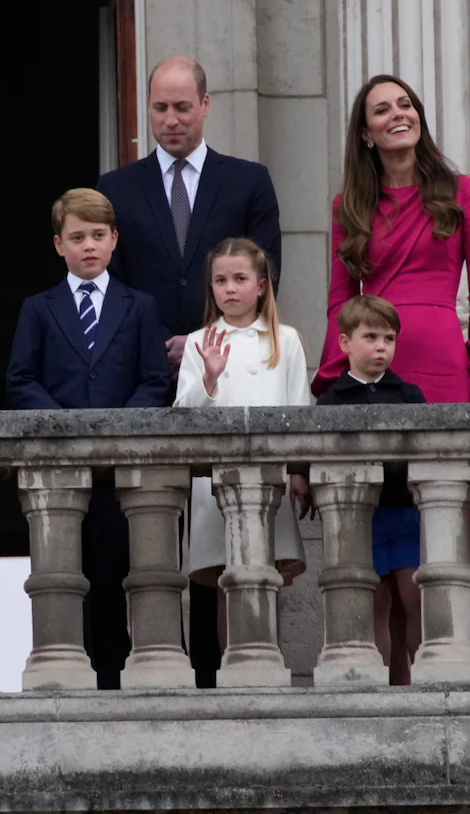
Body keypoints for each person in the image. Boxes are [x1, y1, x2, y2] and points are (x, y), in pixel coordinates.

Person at [98, 55, 283, 686]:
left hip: (225, 376)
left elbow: (265, 272)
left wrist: (208, 340)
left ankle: (213, 667)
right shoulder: (116, 189)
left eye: (182, 107)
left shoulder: (247, 181)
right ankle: (135, 666)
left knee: (215, 523)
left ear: (206, 106)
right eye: (159, 107)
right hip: (146, 382)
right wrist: (163, 350)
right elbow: (110, 288)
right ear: (145, 109)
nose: (170, 119)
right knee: (140, 530)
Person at [313, 74, 470, 604]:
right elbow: (340, 303)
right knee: (382, 516)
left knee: (445, 495)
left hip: (442, 361)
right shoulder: (348, 206)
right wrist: (335, 382)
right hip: (376, 363)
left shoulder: (463, 191)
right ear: (366, 133)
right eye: (381, 110)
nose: (397, 114)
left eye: (405, 104)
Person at [5, 188, 171, 689]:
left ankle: (116, 686)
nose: (89, 246)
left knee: (118, 576)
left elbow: (155, 381)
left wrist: (118, 426)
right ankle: (69, 681)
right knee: (61, 579)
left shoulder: (139, 306)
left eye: (99, 235)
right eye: (77, 237)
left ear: (115, 239)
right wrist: (64, 425)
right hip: (60, 472)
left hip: (121, 470)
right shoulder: (38, 308)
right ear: (59, 245)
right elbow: (20, 379)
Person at [174, 237, 312, 646]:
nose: (229, 289)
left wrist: (301, 472)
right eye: (220, 280)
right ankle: (234, 669)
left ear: (262, 284)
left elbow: (300, 411)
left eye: (239, 278)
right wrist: (210, 377)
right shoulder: (199, 342)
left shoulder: (285, 341)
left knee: (266, 575)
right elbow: (183, 417)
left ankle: (267, 663)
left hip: (272, 477)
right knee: (226, 580)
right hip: (215, 482)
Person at [315, 295, 428, 684]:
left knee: (414, 597)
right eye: (371, 337)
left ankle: (427, 679)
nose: (382, 347)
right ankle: (385, 686)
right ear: (345, 343)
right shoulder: (331, 401)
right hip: (362, 518)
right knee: (376, 600)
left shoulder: (409, 396)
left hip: (404, 510)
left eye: (389, 338)